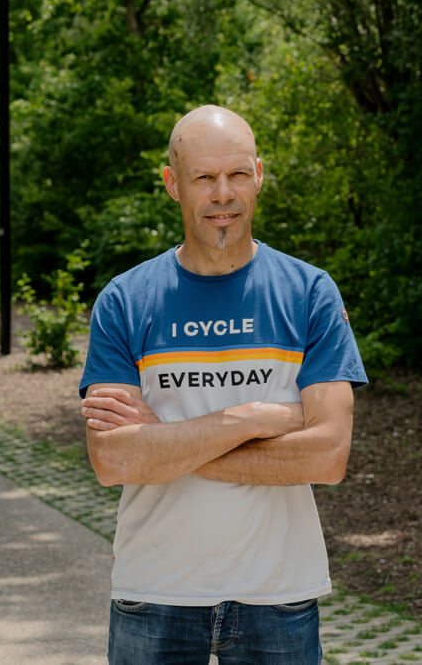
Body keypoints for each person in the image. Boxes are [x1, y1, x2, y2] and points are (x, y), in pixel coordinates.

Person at [79, 105, 367, 664]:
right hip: (154, 591)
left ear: (259, 174)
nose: (222, 194)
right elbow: (113, 463)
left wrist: (162, 446)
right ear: (172, 185)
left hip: (278, 594)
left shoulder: (309, 293)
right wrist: (252, 420)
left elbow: (328, 456)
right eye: (204, 178)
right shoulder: (125, 300)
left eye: (236, 174)